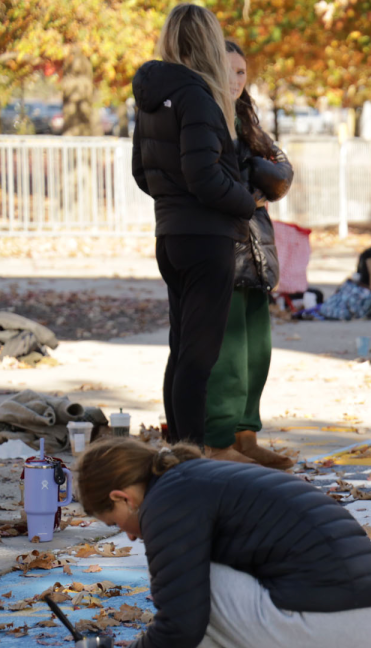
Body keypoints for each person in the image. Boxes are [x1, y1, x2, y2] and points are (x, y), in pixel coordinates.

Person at [72, 438, 371, 648]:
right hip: (368, 625)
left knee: (190, 589)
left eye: (115, 522)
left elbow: (181, 624)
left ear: (123, 497)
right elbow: (246, 608)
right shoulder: (200, 479)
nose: (129, 534)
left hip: (328, 628)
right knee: (193, 584)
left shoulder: (166, 503)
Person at [132, 4, 256, 447]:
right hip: (205, 240)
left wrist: (174, 203)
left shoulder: (152, 95)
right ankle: (190, 458)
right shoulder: (197, 95)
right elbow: (205, 177)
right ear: (207, 40)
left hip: (170, 236)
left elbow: (142, 172)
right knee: (198, 360)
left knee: (182, 351)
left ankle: (177, 452)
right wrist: (247, 201)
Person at [200, 41, 295, 468]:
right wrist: (252, 185)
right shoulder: (205, 115)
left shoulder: (246, 118)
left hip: (257, 246)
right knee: (229, 354)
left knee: (258, 351)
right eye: (229, 71)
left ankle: (246, 435)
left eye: (242, 72)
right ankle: (219, 439)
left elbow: (282, 168)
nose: (237, 81)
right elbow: (220, 179)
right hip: (223, 245)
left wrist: (259, 179)